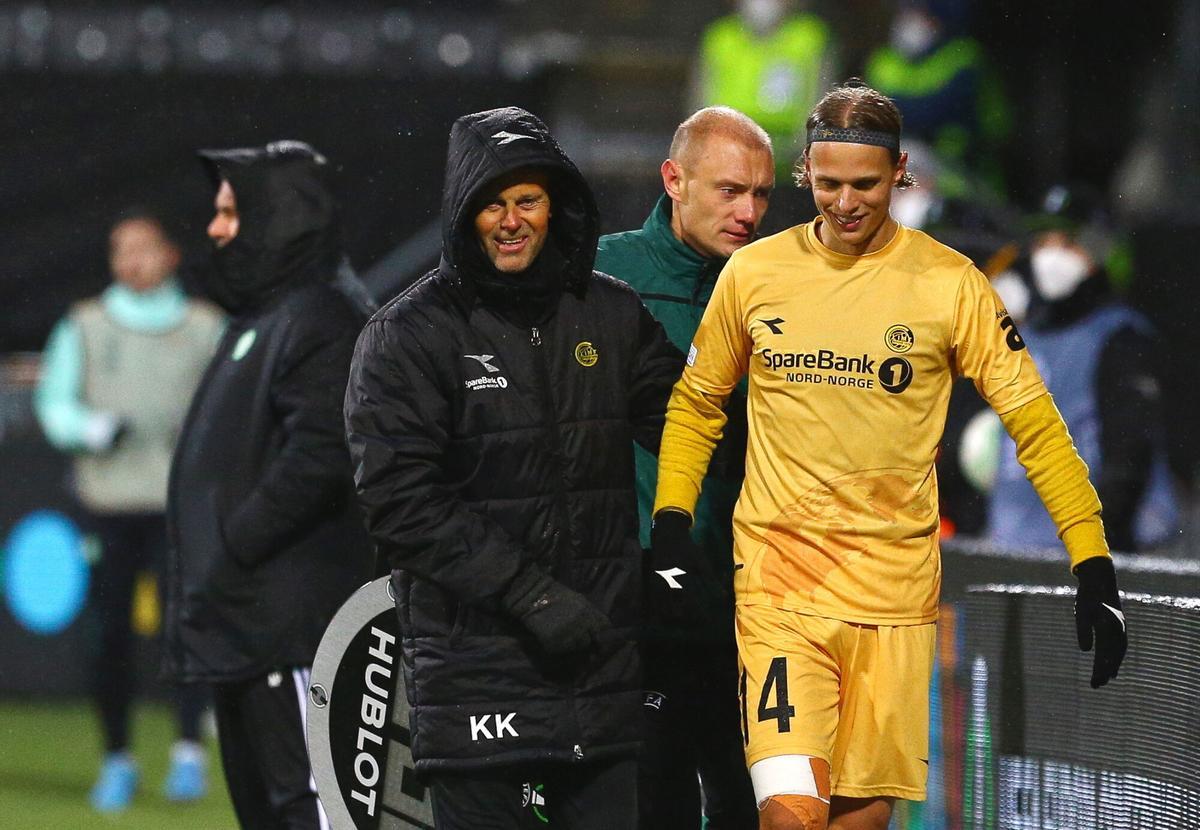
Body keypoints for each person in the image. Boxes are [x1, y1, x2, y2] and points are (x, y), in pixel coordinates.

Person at [650, 82, 1128, 830]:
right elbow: (697, 402)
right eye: (828, 184)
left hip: (895, 606)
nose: (845, 203)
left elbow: (1036, 425)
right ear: (807, 173)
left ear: (899, 173)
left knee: (859, 823)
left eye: (865, 185)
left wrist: (1091, 561)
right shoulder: (755, 274)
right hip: (781, 594)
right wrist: (672, 520)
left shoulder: (951, 285)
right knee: (789, 815)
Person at [344, 106, 682, 830]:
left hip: (598, 676)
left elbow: (696, 427)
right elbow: (399, 503)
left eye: (527, 200)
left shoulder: (611, 314)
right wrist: (531, 597)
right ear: (462, 213)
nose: (510, 221)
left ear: (556, 206)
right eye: (491, 203)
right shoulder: (406, 335)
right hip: (475, 681)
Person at [163, 140, 374, 830]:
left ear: (279, 216)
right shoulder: (266, 317)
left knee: (314, 810)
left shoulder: (324, 316)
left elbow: (322, 455)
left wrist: (233, 546)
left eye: (231, 211)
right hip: (249, 623)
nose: (214, 227)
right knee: (270, 812)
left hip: (293, 627)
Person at [594, 106, 772, 830]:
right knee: (653, 799)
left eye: (761, 194)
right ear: (674, 180)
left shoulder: (777, 289)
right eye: (730, 191)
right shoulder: (599, 276)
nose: (748, 213)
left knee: (748, 803)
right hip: (637, 599)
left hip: (750, 600)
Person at [34, 210, 222, 813]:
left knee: (185, 630)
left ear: (171, 254)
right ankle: (117, 757)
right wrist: (88, 427)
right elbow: (54, 403)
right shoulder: (85, 324)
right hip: (107, 507)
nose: (131, 261)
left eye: (143, 248)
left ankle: (189, 751)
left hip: (178, 508)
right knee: (107, 635)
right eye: (121, 250)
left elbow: (230, 407)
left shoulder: (205, 327)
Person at [989, 184, 1180, 552]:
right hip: (1013, 549)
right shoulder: (1019, 336)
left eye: (1068, 243)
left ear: (1101, 250)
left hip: (1092, 552)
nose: (1051, 256)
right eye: (1044, 242)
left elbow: (1128, 461)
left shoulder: (1121, 337)